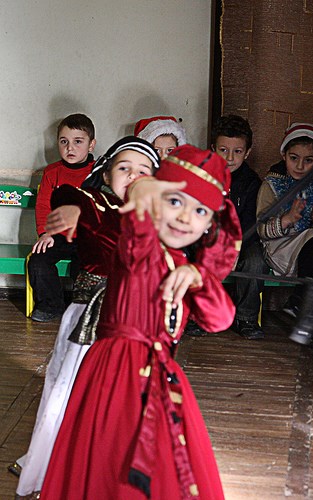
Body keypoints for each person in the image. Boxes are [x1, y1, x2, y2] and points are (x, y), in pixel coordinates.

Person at [40, 145, 242, 499]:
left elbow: (219, 319)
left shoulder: (184, 269)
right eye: (175, 202)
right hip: (114, 376)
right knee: (111, 466)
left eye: (199, 211)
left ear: (211, 223)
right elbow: (133, 239)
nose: (184, 218)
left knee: (158, 470)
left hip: (161, 382)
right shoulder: (137, 243)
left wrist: (199, 277)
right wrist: (142, 196)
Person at [13, 137, 160, 498]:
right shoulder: (98, 203)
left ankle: (111, 463)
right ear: (107, 174)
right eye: (124, 168)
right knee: (69, 387)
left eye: (144, 171)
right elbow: (68, 195)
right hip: (88, 321)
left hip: (134, 321)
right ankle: (53, 458)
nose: (134, 176)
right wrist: (75, 211)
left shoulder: (159, 218)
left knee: (124, 396)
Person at [257, 122, 313, 345]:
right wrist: (287, 219)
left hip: (312, 250)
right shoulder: (272, 185)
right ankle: (302, 304)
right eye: (294, 158)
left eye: (309, 160)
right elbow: (261, 230)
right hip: (280, 248)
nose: (300, 166)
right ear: (284, 155)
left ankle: (306, 312)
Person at [28, 113, 96, 323]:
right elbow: (43, 205)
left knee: (85, 268)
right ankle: (51, 306)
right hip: (58, 235)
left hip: (88, 237)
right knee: (38, 261)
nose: (70, 148)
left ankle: (86, 309)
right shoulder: (52, 173)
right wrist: (45, 232)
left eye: (78, 142)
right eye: (64, 141)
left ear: (91, 145)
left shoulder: (99, 172)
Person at [212, 114, 269, 340]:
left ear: (247, 153)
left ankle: (245, 317)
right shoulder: (205, 176)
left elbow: (250, 222)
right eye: (223, 150)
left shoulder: (251, 182)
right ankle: (196, 315)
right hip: (211, 238)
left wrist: (235, 247)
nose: (229, 158)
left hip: (241, 240)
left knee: (255, 261)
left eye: (237, 152)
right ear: (213, 148)